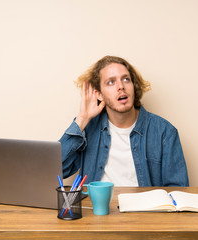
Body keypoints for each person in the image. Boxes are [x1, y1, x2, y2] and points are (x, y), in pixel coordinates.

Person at [59, 56, 189, 186]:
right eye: (111, 82)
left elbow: (178, 190)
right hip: (97, 206)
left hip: (143, 206)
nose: (121, 86)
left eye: (126, 79)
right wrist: (82, 119)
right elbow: (58, 171)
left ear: (133, 85)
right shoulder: (87, 127)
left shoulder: (165, 132)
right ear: (99, 94)